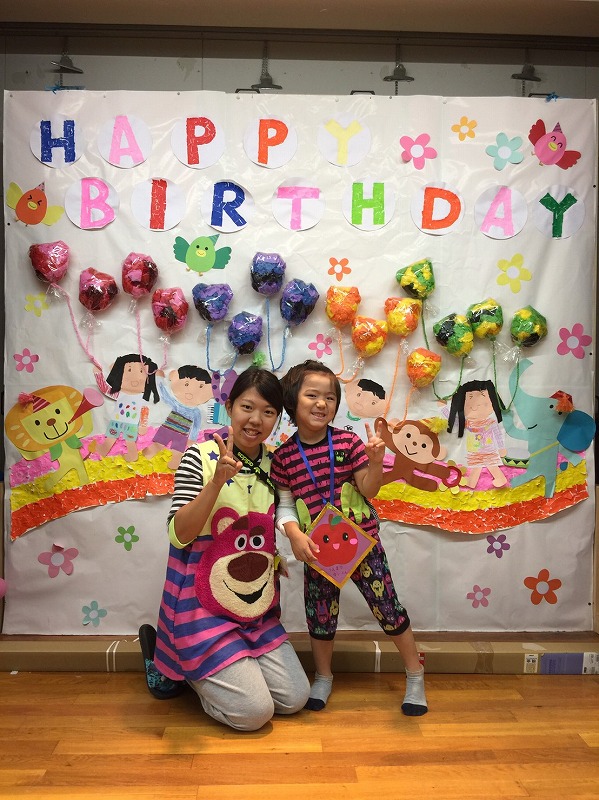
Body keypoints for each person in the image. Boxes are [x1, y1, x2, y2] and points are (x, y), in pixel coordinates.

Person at [144, 367, 310, 731]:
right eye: (247, 407)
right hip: (200, 608)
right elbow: (179, 535)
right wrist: (217, 482)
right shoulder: (199, 457)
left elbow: (278, 516)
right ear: (229, 406)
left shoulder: (276, 464)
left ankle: (231, 665)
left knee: (295, 699)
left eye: (268, 412)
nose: (256, 420)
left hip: (253, 608)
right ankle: (176, 664)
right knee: (253, 714)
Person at [270, 359, 427, 716]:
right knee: (320, 615)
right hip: (315, 550)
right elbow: (285, 506)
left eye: (330, 397)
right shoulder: (283, 457)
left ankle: (415, 675)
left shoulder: (348, 442)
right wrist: (293, 534)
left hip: (362, 544)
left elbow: (369, 490)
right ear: (292, 400)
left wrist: (376, 463)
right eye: (312, 395)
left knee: (388, 608)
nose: (322, 403)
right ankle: (323, 677)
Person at [446, 379, 508, 489]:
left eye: (484, 404)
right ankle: (471, 482)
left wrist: (501, 448)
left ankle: (500, 478)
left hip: (488, 449)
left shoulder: (490, 422)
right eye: (470, 405)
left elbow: (498, 435)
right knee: (477, 465)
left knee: (491, 464)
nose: (475, 407)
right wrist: (443, 408)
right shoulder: (468, 423)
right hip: (474, 450)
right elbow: (455, 422)